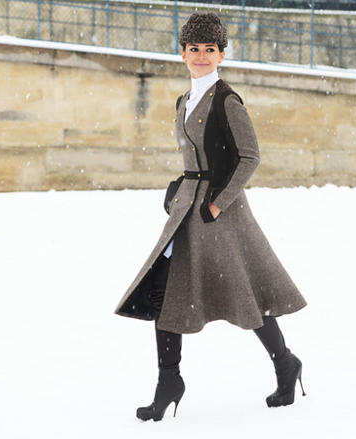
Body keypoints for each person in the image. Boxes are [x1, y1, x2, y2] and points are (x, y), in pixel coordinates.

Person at [114, 12, 307, 422]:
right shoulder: (183, 101)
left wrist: (218, 203)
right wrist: (179, 187)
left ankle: (286, 364)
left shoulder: (226, 101)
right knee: (164, 291)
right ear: (182, 53)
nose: (201, 56)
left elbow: (250, 157)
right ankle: (170, 381)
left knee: (246, 297)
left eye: (210, 49)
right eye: (194, 48)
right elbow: (197, 156)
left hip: (220, 217)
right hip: (187, 211)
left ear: (221, 54)